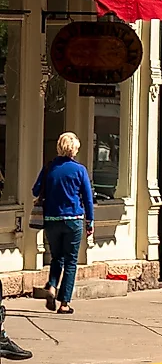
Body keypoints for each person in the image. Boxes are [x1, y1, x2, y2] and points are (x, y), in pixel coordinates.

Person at [35, 133, 92, 314]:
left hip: (52, 219)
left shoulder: (49, 168)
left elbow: (35, 190)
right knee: (71, 262)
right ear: (74, 149)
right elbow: (88, 199)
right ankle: (64, 303)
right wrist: (90, 222)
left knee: (56, 257)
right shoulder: (79, 170)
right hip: (73, 220)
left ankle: (52, 286)